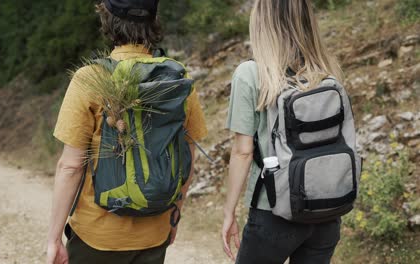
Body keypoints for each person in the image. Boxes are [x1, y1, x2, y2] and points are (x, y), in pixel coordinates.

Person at [46, 1, 207, 263]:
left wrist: (54, 238)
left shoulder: (90, 77)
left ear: (107, 19)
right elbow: (187, 153)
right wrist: (174, 216)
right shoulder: (177, 77)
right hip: (154, 234)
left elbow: (70, 167)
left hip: (96, 237)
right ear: (154, 20)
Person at [222, 0, 344, 263]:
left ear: (262, 22)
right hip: (327, 213)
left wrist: (229, 212)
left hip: (274, 212)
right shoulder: (326, 73)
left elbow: (243, 152)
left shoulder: (251, 73)